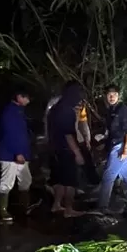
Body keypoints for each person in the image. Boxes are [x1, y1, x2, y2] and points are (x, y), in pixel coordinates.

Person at [97, 85, 127, 213]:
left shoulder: (124, 111)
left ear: (118, 96)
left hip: (121, 147)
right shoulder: (111, 110)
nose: (111, 97)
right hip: (116, 146)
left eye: (114, 94)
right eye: (109, 95)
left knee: (108, 176)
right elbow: (110, 131)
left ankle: (102, 207)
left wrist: (125, 149)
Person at [47, 81, 85, 217]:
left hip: (55, 149)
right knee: (70, 181)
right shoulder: (67, 111)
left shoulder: (55, 109)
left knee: (60, 179)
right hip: (66, 150)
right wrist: (77, 153)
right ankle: (69, 209)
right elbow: (68, 134)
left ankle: (56, 205)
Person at [0, 88, 33, 222]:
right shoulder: (10, 112)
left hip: (20, 153)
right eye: (26, 97)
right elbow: (11, 134)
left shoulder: (18, 112)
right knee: (7, 182)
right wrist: (18, 152)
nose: (28, 101)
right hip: (9, 154)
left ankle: (24, 206)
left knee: (26, 180)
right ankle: (3, 211)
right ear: (19, 97)